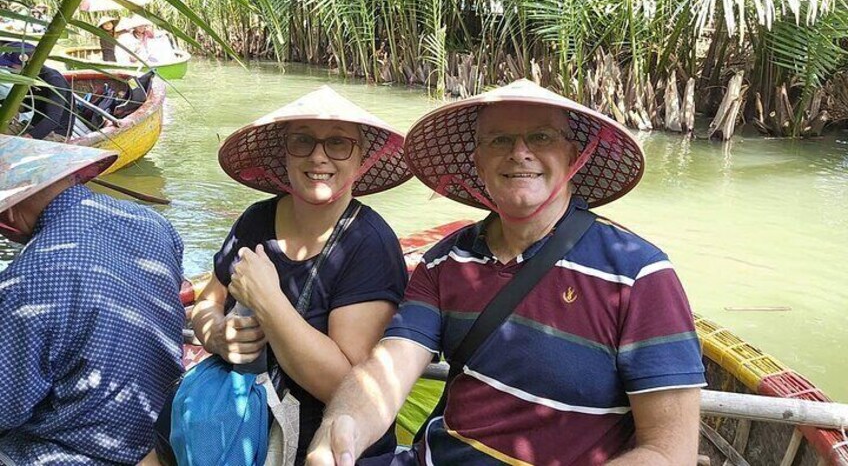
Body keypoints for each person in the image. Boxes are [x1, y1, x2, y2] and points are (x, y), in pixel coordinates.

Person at [307, 79, 707, 465]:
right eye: (499, 140)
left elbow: (669, 452)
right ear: (478, 162)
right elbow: (389, 368)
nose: (519, 153)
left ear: (573, 156)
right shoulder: (446, 262)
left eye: (541, 137)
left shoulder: (638, 274)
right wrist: (343, 427)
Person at [165, 86, 412, 465]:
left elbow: (346, 387)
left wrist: (268, 301)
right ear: (284, 153)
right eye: (302, 141)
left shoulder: (370, 244)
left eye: (338, 143)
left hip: (319, 449)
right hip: (232, 429)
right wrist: (216, 334)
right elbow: (208, 303)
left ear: (361, 158)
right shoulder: (256, 220)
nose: (318, 156)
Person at [0, 135, 185, 464]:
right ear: (71, 175)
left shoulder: (27, 279)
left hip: (76, 454)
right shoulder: (154, 223)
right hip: (159, 435)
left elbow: (6, 408)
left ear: (10, 210)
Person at [0, 42, 75, 140]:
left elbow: (53, 119)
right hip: (33, 127)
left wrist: (29, 138)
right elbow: (25, 106)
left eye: (11, 66)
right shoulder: (29, 78)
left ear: (26, 64)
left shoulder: (54, 80)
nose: (9, 70)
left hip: (55, 133)